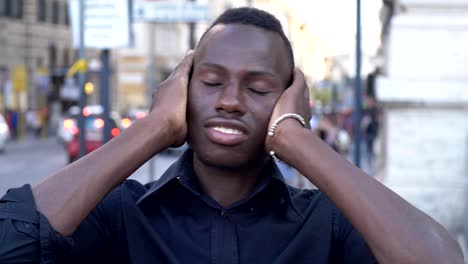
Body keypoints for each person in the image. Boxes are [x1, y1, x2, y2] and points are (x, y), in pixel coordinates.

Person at [0, 7, 463, 264]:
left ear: (288, 100)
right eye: (212, 81)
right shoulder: (120, 215)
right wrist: (153, 127)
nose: (231, 101)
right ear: (181, 90)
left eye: (259, 88)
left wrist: (297, 140)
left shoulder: (330, 223)